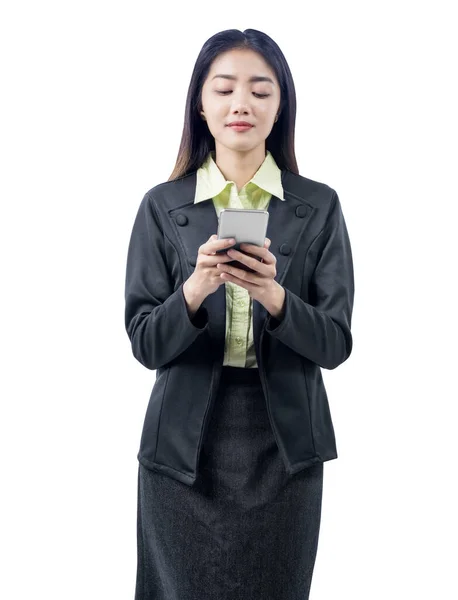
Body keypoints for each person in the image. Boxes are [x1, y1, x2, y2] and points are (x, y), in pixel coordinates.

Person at [124, 28, 355, 600]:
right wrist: (195, 289)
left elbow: (335, 344)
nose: (241, 104)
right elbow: (146, 343)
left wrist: (276, 297)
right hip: (183, 450)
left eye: (260, 90)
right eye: (224, 89)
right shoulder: (162, 204)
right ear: (201, 106)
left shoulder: (318, 205)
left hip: (284, 447)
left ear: (281, 107)